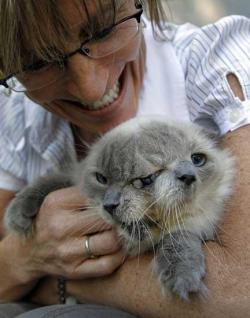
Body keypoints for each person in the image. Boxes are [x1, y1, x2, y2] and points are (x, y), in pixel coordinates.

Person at [0, 0, 250, 317]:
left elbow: (239, 293)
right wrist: (20, 256)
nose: (91, 89)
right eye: (37, 63)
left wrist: (52, 278)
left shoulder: (226, 62)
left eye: (104, 30)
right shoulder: (15, 110)